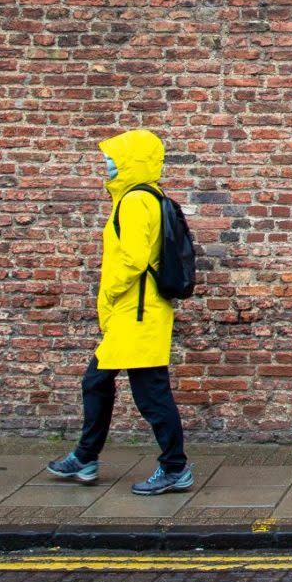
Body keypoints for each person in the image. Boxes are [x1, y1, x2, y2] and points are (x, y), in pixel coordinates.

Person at [46, 129, 194, 496]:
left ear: (132, 162)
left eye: (115, 159)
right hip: (137, 313)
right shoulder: (149, 197)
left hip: (136, 313)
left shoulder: (134, 201)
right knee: (96, 382)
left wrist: (108, 291)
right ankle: (85, 457)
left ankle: (175, 468)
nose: (107, 165)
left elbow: (133, 258)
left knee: (151, 394)